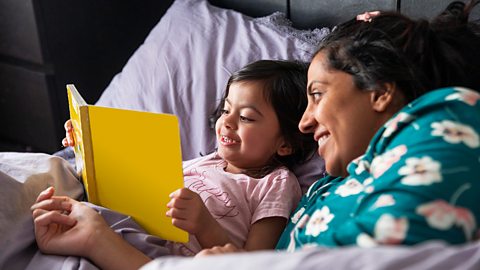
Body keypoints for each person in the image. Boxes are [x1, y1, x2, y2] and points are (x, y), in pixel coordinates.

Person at [196, 0, 480, 256]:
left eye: (317, 94)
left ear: (380, 91)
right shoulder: (330, 185)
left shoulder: (451, 114)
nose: (304, 123)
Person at [31, 60, 316, 268]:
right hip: (132, 226)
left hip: (166, 259)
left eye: (247, 118)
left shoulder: (276, 183)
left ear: (285, 143)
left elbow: (253, 262)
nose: (226, 122)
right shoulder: (205, 161)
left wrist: (205, 225)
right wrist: (86, 150)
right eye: (227, 110)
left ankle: (95, 239)